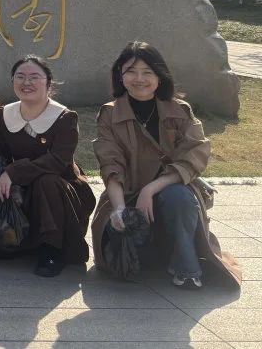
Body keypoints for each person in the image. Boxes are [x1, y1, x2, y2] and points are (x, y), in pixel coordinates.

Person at [92, 41, 241, 289]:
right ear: (120, 75)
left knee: (177, 197)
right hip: (127, 194)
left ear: (160, 76)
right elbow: (111, 165)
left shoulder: (180, 110)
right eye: (131, 71)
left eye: (147, 72)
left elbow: (194, 155)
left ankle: (187, 268)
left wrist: (151, 189)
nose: (139, 79)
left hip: (173, 188)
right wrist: (119, 210)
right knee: (121, 248)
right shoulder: (109, 113)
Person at [0, 55, 95, 277]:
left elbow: (58, 161)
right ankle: (1, 238)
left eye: (34, 77)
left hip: (60, 188)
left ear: (48, 82)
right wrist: (5, 173)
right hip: (22, 187)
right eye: (20, 77)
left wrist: (14, 171)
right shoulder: (4, 115)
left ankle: (52, 249)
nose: (27, 82)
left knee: (47, 181)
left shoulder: (64, 118)